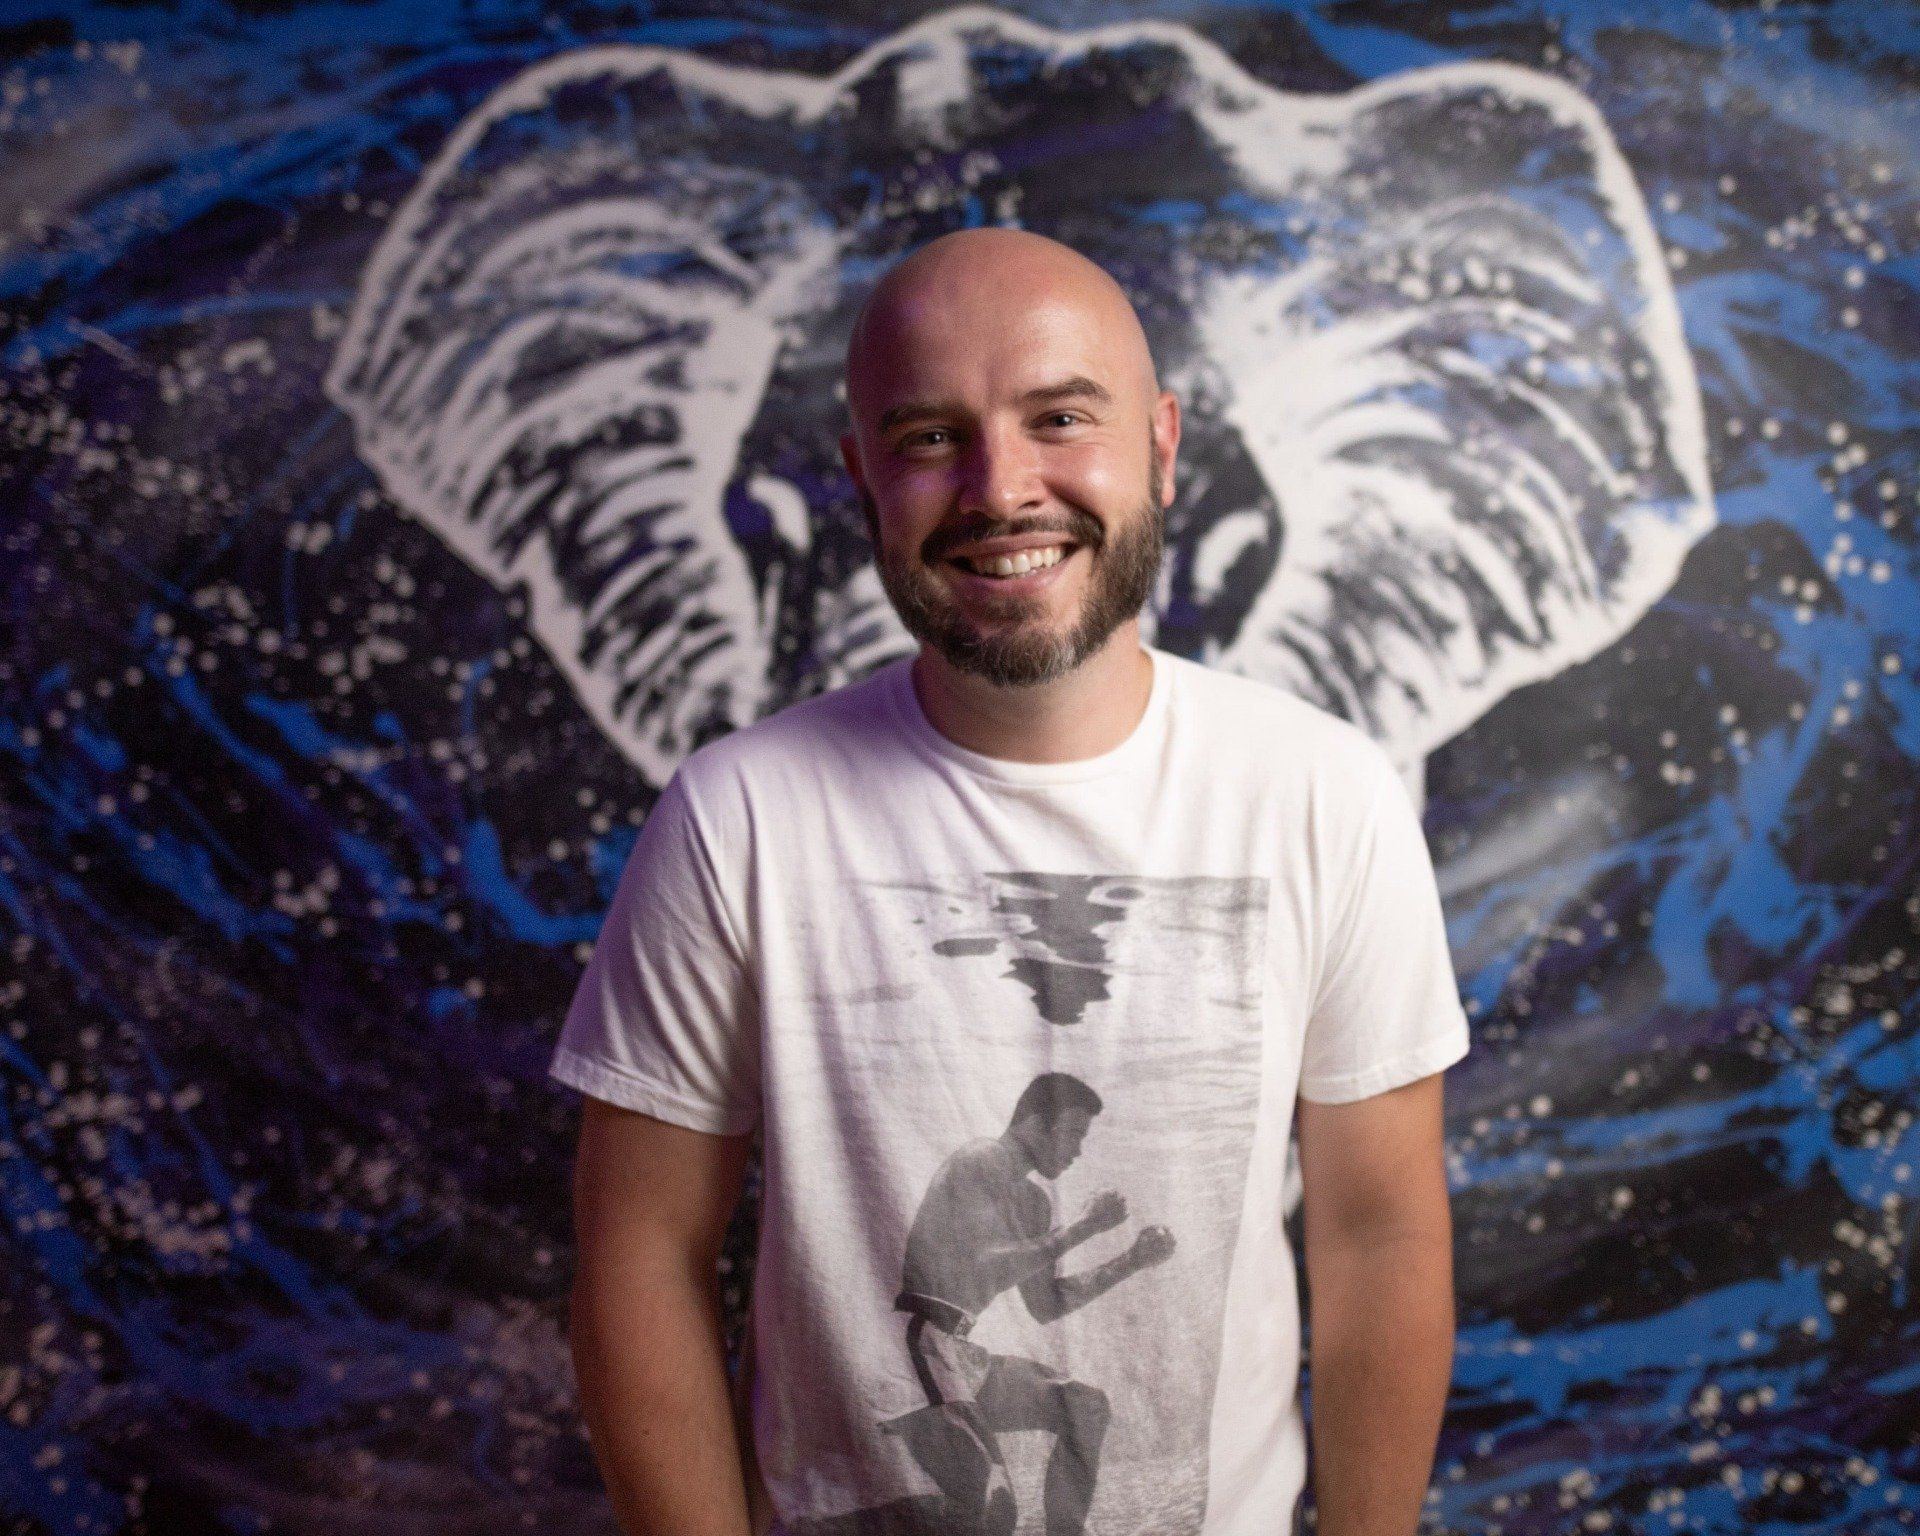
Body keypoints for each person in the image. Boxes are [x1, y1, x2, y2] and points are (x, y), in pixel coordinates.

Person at [550, 227, 1471, 1536]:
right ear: (865, 476)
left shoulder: (1328, 799)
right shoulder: (737, 818)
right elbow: (638, 1256)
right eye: (931, 437)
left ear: (1160, 443)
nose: (1000, 487)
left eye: (1059, 418)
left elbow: (1380, 1240)